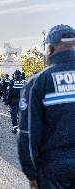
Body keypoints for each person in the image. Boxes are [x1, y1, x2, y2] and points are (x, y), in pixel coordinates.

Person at [18, 24, 75, 189]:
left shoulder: (39, 82)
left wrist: (31, 174)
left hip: (53, 166)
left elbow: (27, 135)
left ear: (49, 49)